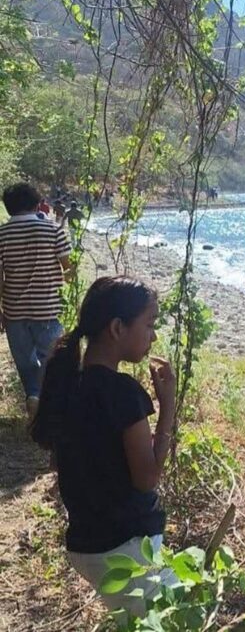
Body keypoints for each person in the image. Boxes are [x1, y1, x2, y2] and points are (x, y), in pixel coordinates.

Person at [30, 276, 177, 617]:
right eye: (149, 324)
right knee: (175, 618)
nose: (153, 336)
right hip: (124, 545)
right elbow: (147, 478)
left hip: (87, 543)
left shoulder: (69, 383)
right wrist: (168, 407)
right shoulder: (123, 393)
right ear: (117, 328)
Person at [0, 183, 72, 417]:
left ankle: (33, 396)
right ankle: (44, 401)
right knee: (52, 359)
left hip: (14, 311)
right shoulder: (52, 229)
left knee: (25, 362)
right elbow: (68, 267)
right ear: (37, 204)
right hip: (47, 309)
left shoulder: (2, 234)